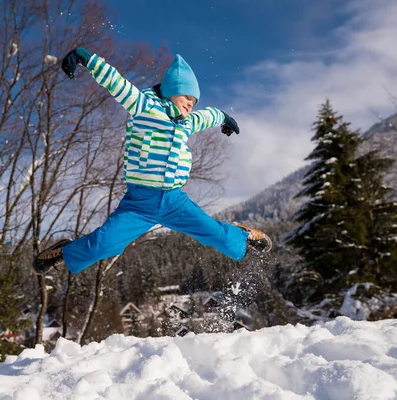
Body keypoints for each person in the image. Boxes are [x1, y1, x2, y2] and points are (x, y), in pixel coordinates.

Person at [33, 48, 272, 275]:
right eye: (186, 96)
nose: (190, 103)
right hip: (139, 203)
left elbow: (207, 115)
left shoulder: (187, 121)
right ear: (170, 90)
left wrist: (224, 118)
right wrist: (86, 58)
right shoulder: (144, 106)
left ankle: (243, 236)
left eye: (194, 100)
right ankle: (63, 252)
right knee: (102, 246)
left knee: (213, 234)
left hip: (174, 201)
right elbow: (117, 83)